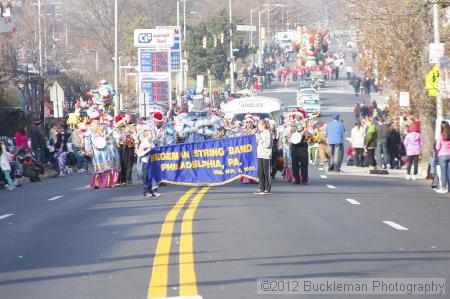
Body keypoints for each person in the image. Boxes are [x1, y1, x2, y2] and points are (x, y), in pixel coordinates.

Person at [114, 114, 136, 185]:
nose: (125, 121)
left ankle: (128, 178)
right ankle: (122, 179)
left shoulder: (131, 127)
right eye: (124, 119)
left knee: (129, 162)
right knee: (122, 162)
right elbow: (116, 137)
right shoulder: (116, 128)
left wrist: (131, 137)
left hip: (130, 146)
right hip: (121, 146)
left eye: (127, 119)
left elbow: (135, 136)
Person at [289, 110, 309, 185]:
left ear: (301, 116)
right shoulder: (293, 123)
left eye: (297, 115)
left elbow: (308, 133)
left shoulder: (305, 123)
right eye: (295, 115)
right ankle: (296, 179)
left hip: (302, 145)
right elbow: (291, 132)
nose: (296, 116)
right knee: (294, 163)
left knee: (303, 163)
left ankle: (304, 179)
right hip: (294, 145)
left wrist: (303, 132)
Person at [255, 119, 273, 195]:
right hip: (260, 154)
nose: (258, 127)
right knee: (260, 172)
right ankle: (261, 187)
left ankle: (267, 188)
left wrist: (261, 138)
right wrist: (257, 137)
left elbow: (267, 144)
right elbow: (257, 143)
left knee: (266, 172)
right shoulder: (261, 133)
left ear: (263, 125)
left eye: (259, 125)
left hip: (266, 154)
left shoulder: (268, 133)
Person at [435, 121, 450, 193]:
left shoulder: (441, 136)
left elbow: (437, 147)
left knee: (443, 172)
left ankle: (443, 188)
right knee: (449, 172)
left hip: (442, 155)